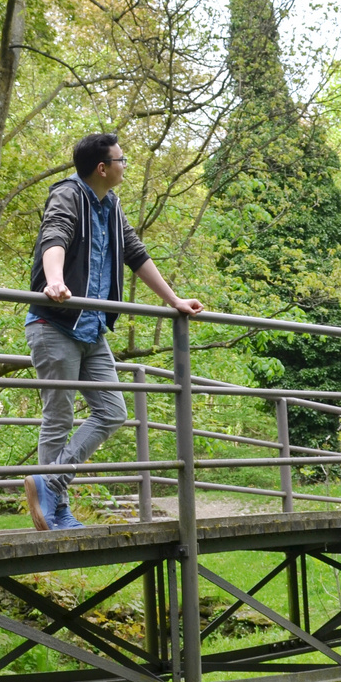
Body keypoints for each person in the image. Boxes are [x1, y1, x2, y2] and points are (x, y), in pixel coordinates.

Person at [23, 132, 203, 530]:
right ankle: (55, 509)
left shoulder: (112, 206)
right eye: (122, 160)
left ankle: (50, 486)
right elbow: (53, 236)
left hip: (92, 328)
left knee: (112, 411)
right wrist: (53, 281)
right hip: (55, 322)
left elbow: (135, 254)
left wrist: (173, 301)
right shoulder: (68, 196)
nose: (125, 166)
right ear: (102, 167)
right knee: (59, 417)